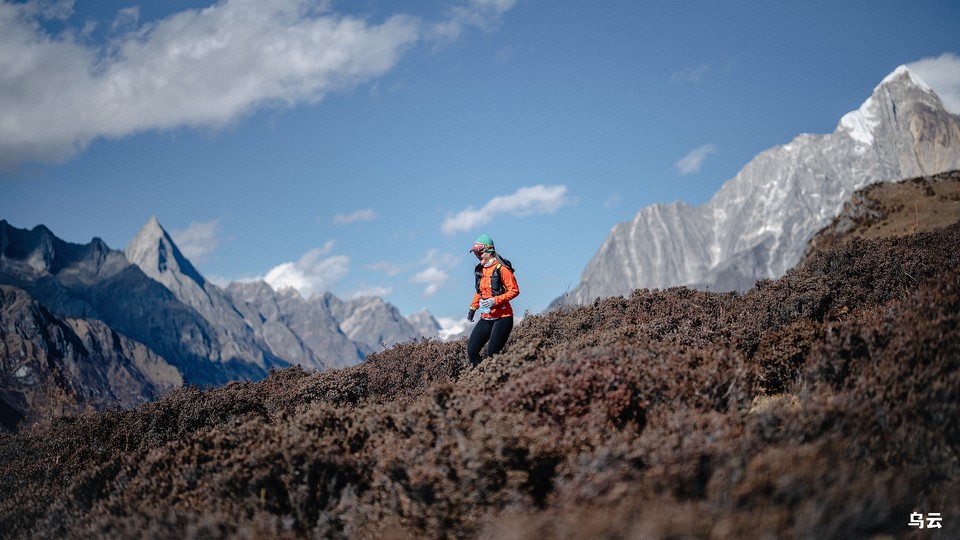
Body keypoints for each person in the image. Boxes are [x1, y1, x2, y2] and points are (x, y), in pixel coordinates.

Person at [466, 234, 519, 367]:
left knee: (492, 354)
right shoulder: (480, 270)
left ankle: (498, 382)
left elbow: (514, 290)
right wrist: (473, 308)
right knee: (472, 350)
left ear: (489, 251)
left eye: (480, 252)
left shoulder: (502, 269)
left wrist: (495, 301)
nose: (477, 255)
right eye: (475, 253)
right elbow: (480, 291)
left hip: (503, 318)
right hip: (486, 317)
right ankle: (480, 380)